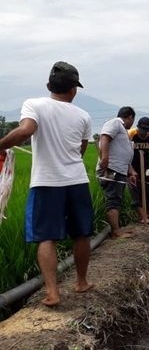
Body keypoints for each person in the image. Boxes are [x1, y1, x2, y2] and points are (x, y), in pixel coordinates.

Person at [0, 61, 94, 306]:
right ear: (74, 89)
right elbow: (81, 150)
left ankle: (53, 293)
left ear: (49, 85)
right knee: (81, 233)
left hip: (45, 183)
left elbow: (25, 131)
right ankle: (81, 282)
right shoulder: (83, 115)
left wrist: (1, 145)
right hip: (77, 181)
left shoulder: (34, 104)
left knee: (46, 237)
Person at [98, 106, 138, 238]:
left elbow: (124, 154)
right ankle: (115, 231)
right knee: (113, 199)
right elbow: (104, 138)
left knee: (117, 199)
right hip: (112, 169)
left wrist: (130, 172)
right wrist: (105, 158)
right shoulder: (115, 123)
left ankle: (117, 229)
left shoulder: (123, 130)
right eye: (133, 120)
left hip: (120, 169)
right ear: (130, 117)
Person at [128, 117, 149, 223]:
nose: (145, 133)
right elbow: (124, 153)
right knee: (135, 192)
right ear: (138, 128)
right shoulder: (131, 134)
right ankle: (142, 216)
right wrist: (131, 170)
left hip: (146, 167)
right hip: (131, 166)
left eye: (147, 131)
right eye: (143, 131)